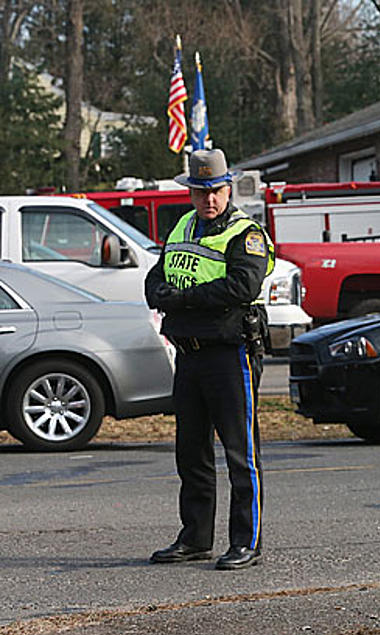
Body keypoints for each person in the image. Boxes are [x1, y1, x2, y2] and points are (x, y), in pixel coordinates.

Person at [145, 149, 274, 571]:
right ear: (191, 193)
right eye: (200, 192)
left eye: (215, 191)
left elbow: (240, 286)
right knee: (192, 452)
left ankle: (246, 542)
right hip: (189, 354)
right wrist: (162, 293)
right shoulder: (183, 226)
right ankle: (196, 537)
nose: (209, 200)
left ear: (228, 187)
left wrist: (180, 301)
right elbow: (156, 276)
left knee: (240, 453)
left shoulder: (246, 233)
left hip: (229, 353)